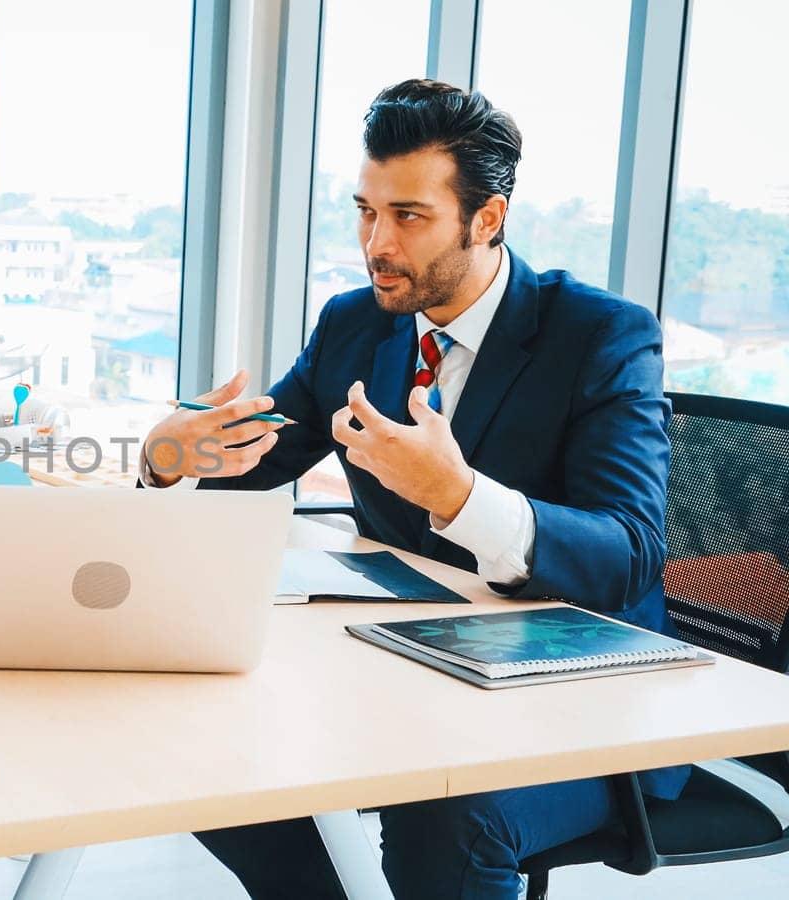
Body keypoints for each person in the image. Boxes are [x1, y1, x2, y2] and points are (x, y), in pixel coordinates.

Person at [141, 79, 681, 899]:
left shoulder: (600, 336)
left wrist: (462, 496)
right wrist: (170, 456)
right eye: (366, 210)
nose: (376, 243)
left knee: (444, 806)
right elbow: (253, 454)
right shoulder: (358, 322)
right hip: (405, 675)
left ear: (487, 219)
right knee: (210, 749)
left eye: (409, 216)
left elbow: (628, 556)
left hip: (583, 702)